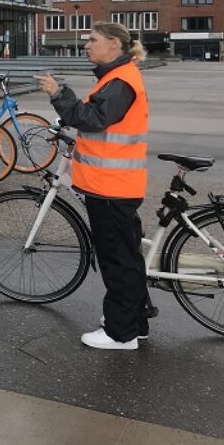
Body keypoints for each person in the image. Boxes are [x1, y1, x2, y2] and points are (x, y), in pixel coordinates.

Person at [34, 21, 150, 351]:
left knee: (117, 261)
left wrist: (59, 94)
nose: (87, 45)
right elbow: (97, 123)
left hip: (112, 187)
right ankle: (134, 322)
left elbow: (94, 119)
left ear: (114, 44)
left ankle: (120, 333)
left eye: (93, 40)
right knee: (127, 256)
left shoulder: (120, 81)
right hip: (114, 184)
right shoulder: (117, 77)